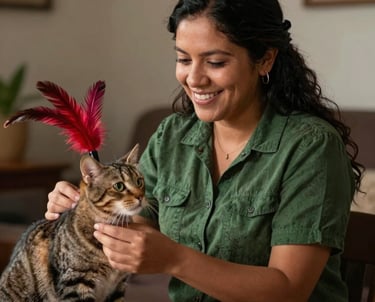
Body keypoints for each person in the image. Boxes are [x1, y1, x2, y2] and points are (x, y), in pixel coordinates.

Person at [45, 1, 363, 301]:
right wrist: (86, 211)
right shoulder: (171, 136)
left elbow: (289, 290)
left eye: (215, 62)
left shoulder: (310, 146)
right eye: (184, 59)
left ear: (265, 59)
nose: (194, 78)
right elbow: (138, 228)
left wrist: (175, 259)